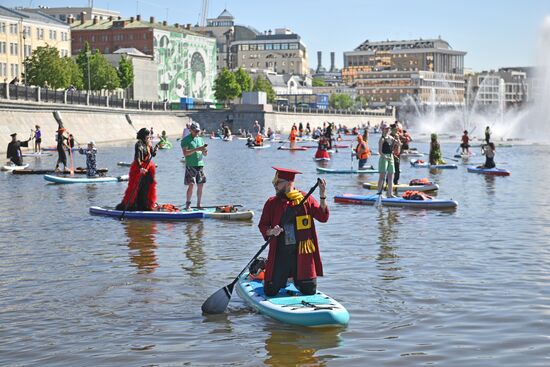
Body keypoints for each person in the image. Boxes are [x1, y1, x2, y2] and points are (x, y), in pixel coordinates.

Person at [258, 167, 329, 296]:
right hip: (280, 253)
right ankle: (270, 271)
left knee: (310, 291)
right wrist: (272, 231)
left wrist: (322, 195)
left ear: (288, 183)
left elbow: (323, 217)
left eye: (277, 183)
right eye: (274, 183)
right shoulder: (272, 203)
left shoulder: (306, 199)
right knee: (270, 291)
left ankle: (297, 280)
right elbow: (262, 226)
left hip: (302, 255)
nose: (275, 185)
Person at [116, 128, 158, 211]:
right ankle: (131, 206)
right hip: (139, 168)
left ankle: (145, 205)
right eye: (148, 136)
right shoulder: (139, 144)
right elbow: (137, 157)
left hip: (147, 169)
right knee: (135, 187)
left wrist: (155, 149)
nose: (149, 137)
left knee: (147, 187)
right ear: (143, 136)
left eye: (149, 136)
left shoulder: (148, 144)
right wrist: (140, 168)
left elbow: (152, 154)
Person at [181, 121, 208, 210]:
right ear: (191, 130)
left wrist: (204, 150)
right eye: (195, 131)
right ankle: (188, 204)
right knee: (191, 185)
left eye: (198, 131)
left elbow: (205, 154)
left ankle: (199, 205)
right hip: (190, 165)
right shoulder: (185, 140)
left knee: (200, 185)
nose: (197, 132)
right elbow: (185, 153)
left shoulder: (200, 139)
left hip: (200, 165)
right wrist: (197, 149)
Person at [376, 122, 397, 197]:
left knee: (391, 175)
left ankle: (390, 193)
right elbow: (380, 151)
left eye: (388, 128)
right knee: (382, 176)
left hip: (390, 157)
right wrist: (385, 157)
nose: (387, 130)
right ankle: (379, 194)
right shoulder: (381, 139)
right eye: (386, 128)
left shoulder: (391, 138)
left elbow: (396, 144)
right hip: (383, 157)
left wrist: (397, 142)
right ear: (382, 129)